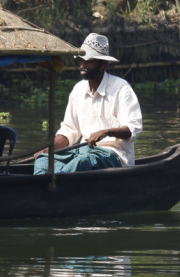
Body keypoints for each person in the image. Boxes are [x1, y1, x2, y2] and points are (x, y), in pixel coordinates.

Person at [34, 33, 142, 175]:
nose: (82, 65)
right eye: (81, 61)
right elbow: (69, 132)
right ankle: (48, 191)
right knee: (42, 160)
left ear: (103, 64)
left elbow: (133, 128)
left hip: (114, 156)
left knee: (83, 161)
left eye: (88, 61)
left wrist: (106, 132)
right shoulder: (78, 90)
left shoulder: (121, 88)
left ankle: (57, 188)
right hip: (83, 152)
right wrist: (48, 150)